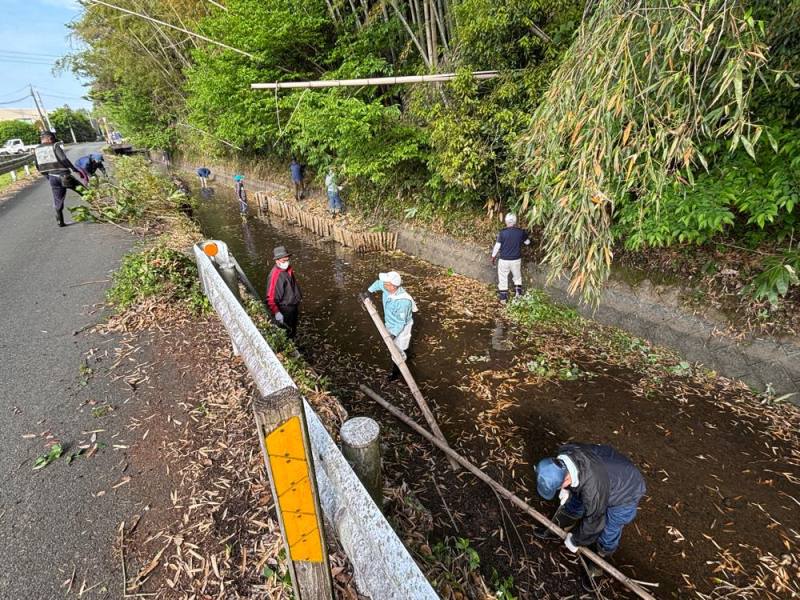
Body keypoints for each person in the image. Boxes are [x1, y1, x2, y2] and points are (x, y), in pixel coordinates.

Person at [534, 443, 646, 591]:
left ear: (566, 480)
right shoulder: (566, 451)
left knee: (609, 529)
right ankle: (559, 526)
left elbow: (595, 521)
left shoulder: (593, 490)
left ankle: (599, 562)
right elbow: (582, 482)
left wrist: (575, 540)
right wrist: (566, 491)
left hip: (626, 490)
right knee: (575, 500)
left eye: (559, 486)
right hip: (606, 469)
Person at [362, 271, 418, 381]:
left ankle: (395, 372)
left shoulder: (403, 302)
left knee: (397, 349)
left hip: (402, 327)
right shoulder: (387, 288)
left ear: (392, 286)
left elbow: (400, 323)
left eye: (386, 283)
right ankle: (407, 352)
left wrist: (392, 334)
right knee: (399, 345)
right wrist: (368, 291)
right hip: (390, 322)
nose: (383, 285)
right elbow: (378, 283)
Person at [33, 130, 85, 227]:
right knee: (84, 191)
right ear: (50, 138)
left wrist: (48, 176)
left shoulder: (37, 149)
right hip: (64, 176)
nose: (53, 140)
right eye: (53, 139)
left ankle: (60, 222)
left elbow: (37, 165)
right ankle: (101, 209)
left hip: (52, 177)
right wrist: (74, 169)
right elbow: (63, 159)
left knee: (58, 200)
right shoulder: (54, 146)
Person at [491, 213, 531, 303]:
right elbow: (527, 242)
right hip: (516, 259)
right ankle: (518, 296)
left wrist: (493, 256)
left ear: (505, 221)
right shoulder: (520, 232)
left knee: (503, 278)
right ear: (515, 221)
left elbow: (497, 246)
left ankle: (503, 299)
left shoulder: (502, 233)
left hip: (504, 260)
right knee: (517, 277)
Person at [266, 246, 302, 339]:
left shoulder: (288, 269)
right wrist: (277, 312)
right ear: (277, 261)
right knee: (286, 332)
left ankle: (293, 340)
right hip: (285, 309)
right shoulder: (275, 275)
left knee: (293, 328)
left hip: (293, 305)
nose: (286, 262)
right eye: (284, 260)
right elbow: (270, 298)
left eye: (287, 260)